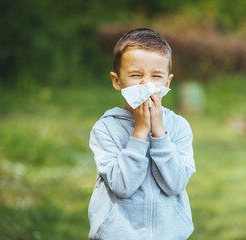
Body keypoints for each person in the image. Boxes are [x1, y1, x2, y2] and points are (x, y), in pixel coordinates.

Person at [88, 28, 196, 240]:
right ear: (117, 81)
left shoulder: (180, 127)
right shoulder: (105, 129)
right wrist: (140, 132)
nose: (147, 84)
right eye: (136, 75)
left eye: (156, 76)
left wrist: (159, 134)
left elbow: (175, 184)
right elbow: (122, 186)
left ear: (167, 82)